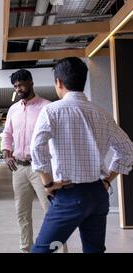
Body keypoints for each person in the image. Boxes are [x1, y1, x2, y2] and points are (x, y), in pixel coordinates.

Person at [30, 57, 133, 253]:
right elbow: (127, 150)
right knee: (94, 250)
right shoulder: (102, 113)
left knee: (42, 250)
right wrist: (108, 180)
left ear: (59, 82)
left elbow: (36, 148)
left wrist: (47, 183)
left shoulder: (51, 111)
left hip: (69, 195)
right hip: (97, 193)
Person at [2, 69, 51, 253]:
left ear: (30, 82)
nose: (19, 89)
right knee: (22, 213)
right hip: (19, 169)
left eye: (21, 84)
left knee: (52, 213)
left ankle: (58, 250)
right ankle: (26, 249)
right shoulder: (13, 109)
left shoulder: (46, 107)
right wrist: (6, 153)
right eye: (15, 86)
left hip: (41, 168)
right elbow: (7, 133)